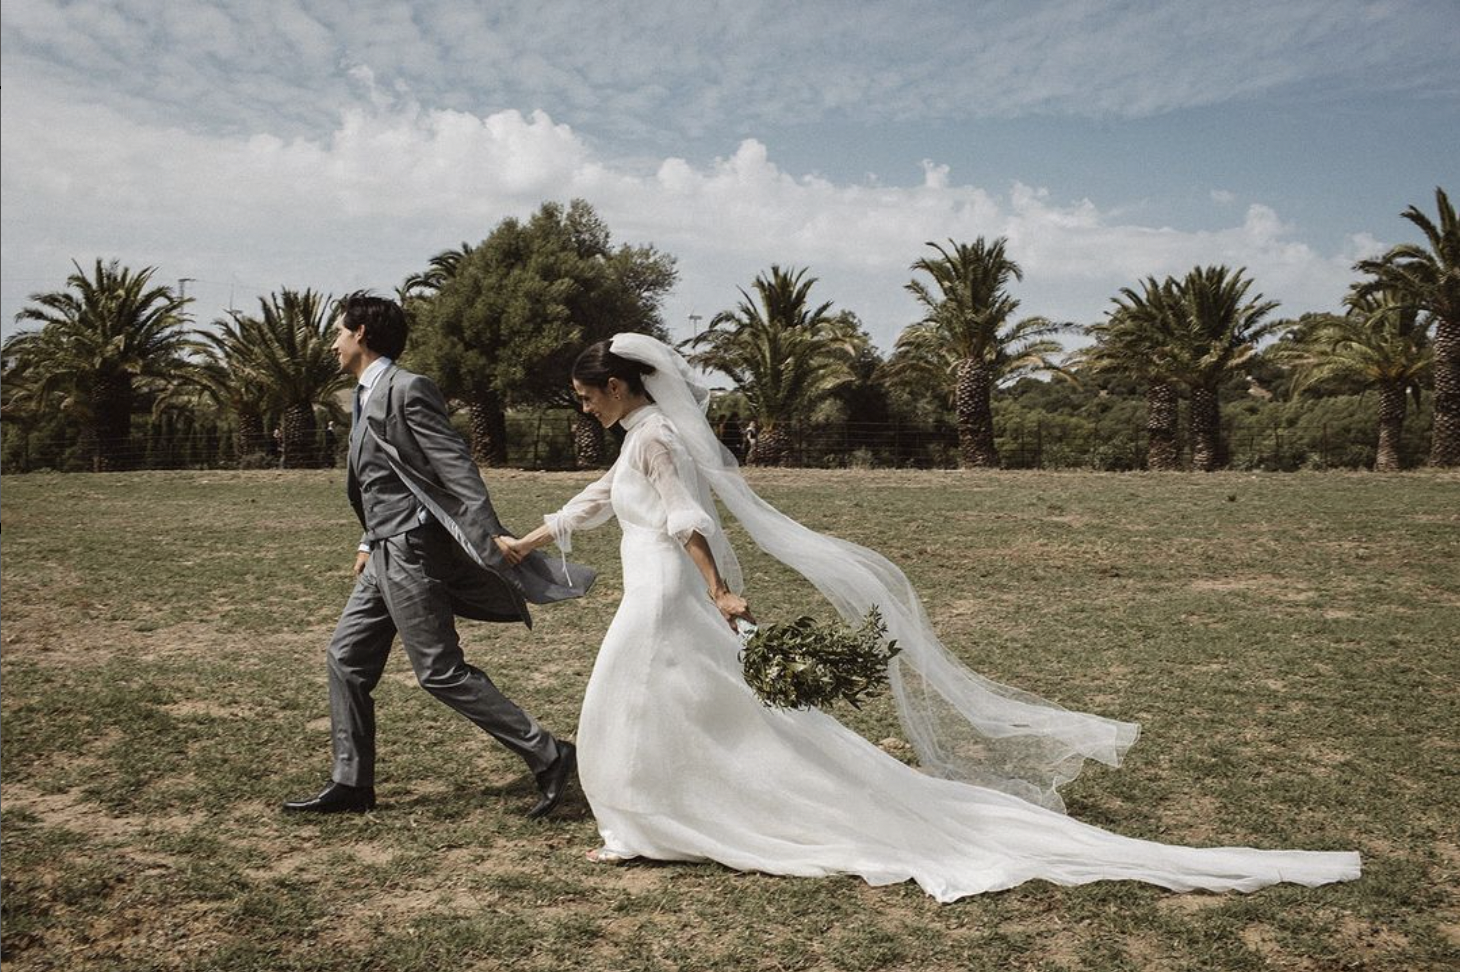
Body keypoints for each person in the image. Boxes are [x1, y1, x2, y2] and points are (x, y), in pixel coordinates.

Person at [498, 334, 1360, 902]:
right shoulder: (638, 435)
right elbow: (602, 498)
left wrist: (720, 590)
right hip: (657, 584)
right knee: (684, 702)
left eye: (585, 395)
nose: (583, 406)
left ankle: (650, 818)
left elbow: (683, 516)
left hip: (665, 589)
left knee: (642, 694)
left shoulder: (652, 436)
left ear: (614, 385)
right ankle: (653, 813)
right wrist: (529, 539)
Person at [282, 293, 594, 817]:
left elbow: (456, 469)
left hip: (411, 550)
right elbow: (386, 478)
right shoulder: (363, 394)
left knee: (439, 671)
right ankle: (352, 781)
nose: (333, 342)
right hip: (382, 551)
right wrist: (366, 541)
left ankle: (550, 754)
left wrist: (487, 535)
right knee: (345, 659)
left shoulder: (407, 390)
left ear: (360, 333)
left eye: (339, 331)